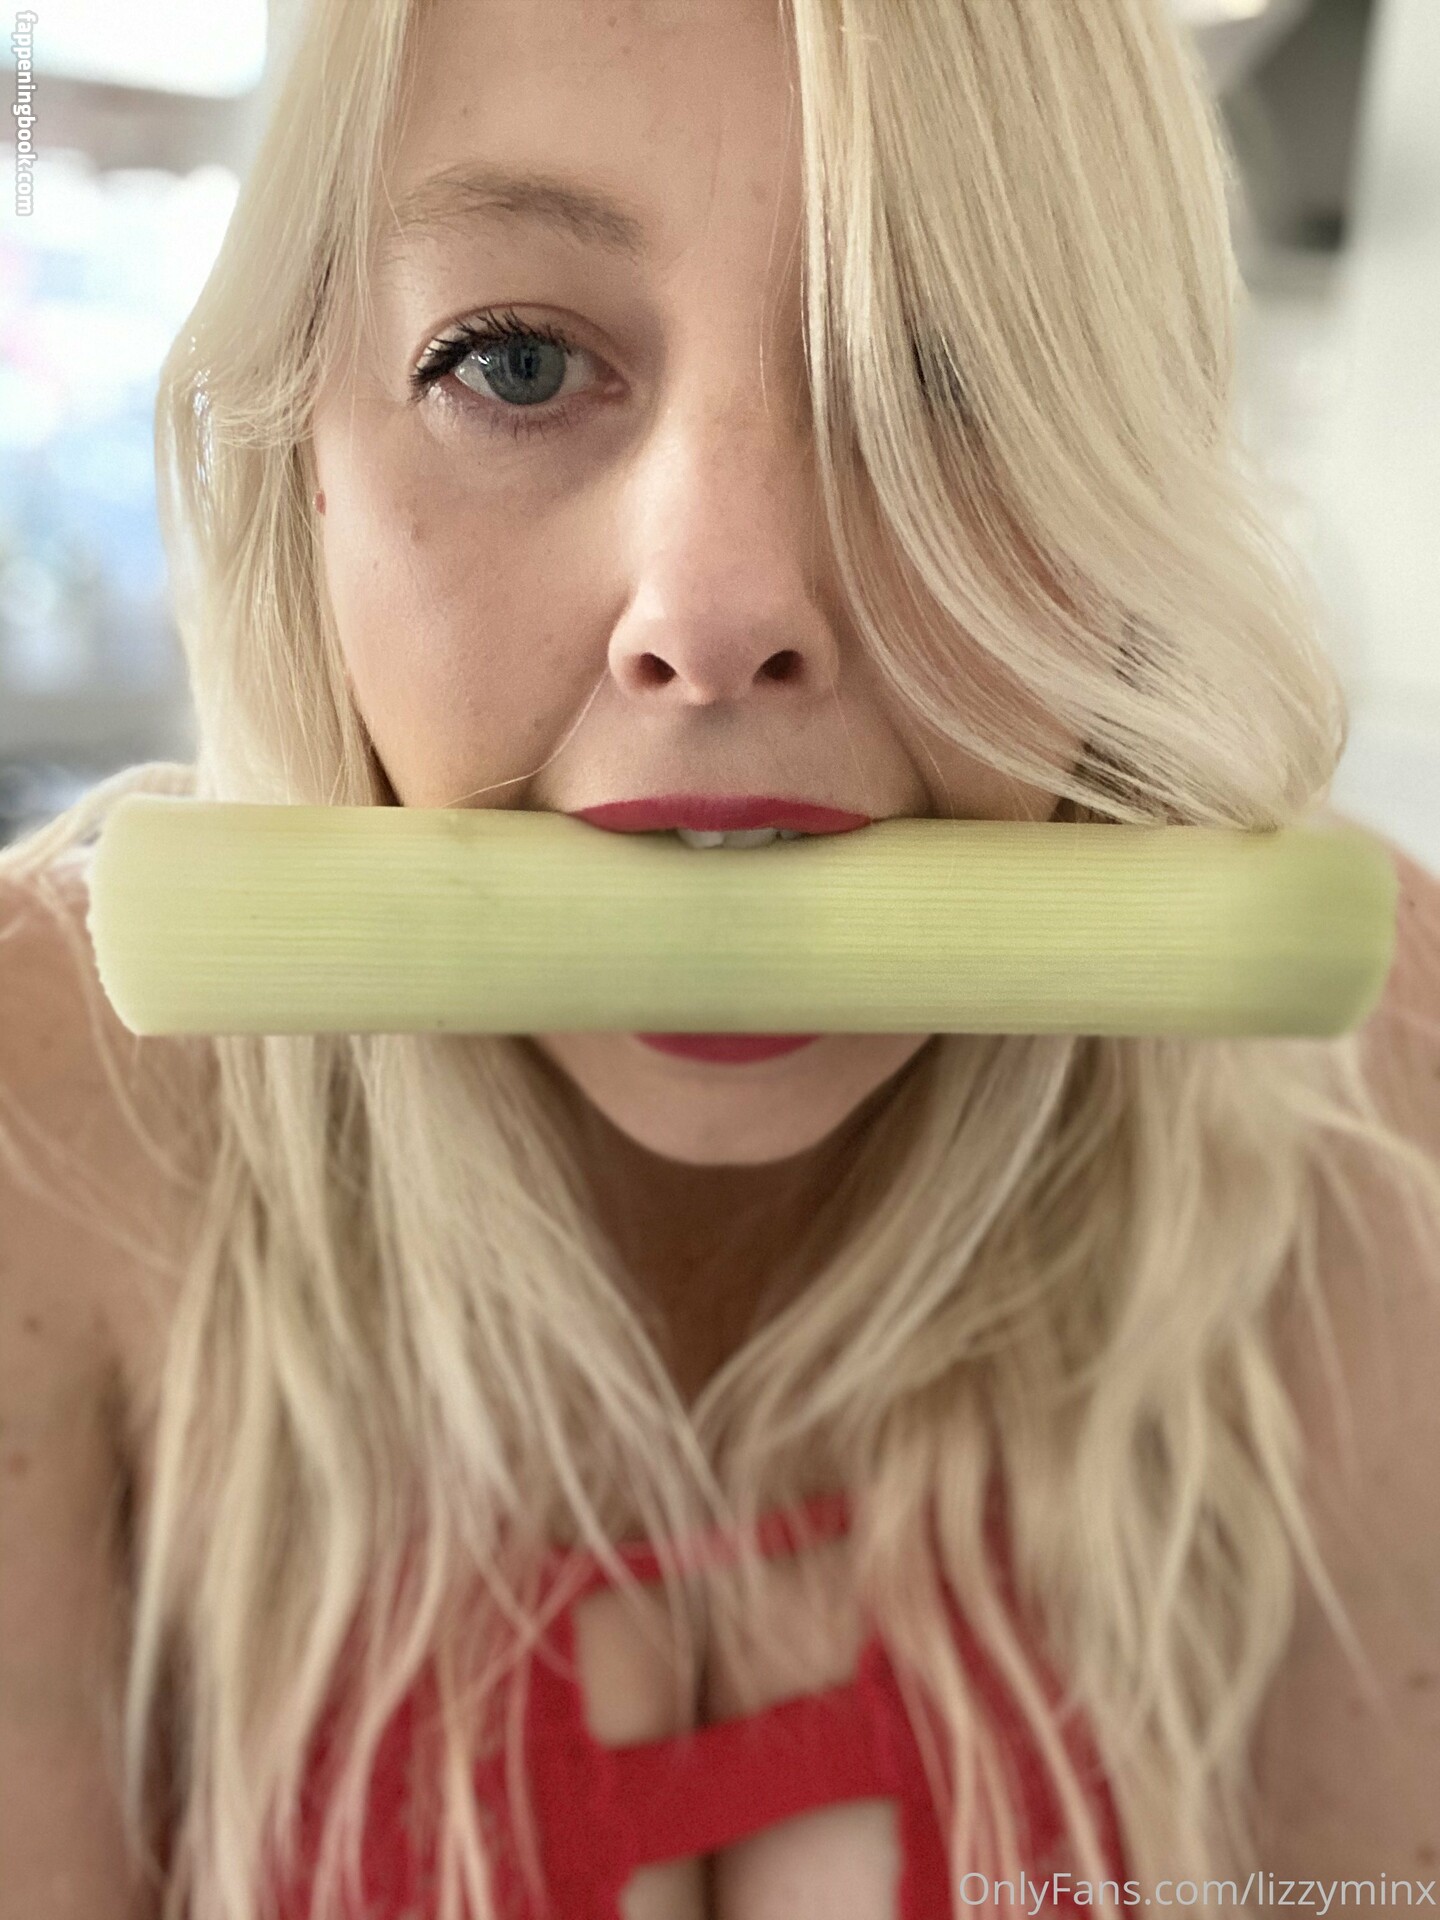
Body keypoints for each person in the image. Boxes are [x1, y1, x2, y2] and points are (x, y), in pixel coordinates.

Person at [2, 1, 1438, 1917]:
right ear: (304, 465)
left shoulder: (1380, 1094)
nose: (724, 602)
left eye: (943, 369)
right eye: (513, 360)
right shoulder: (35, 1123)